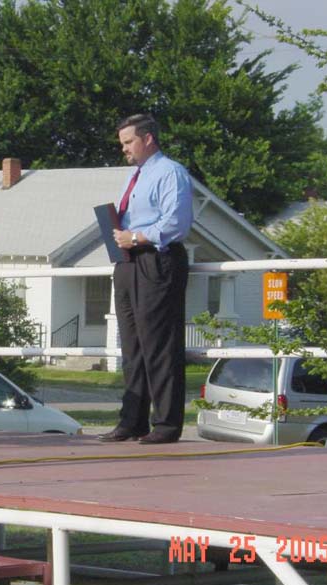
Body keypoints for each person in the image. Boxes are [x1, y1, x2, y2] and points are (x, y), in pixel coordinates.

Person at [97, 113, 193, 445]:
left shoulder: (170, 173)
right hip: (128, 263)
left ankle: (166, 424)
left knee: (159, 344)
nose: (124, 149)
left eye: (128, 142)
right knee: (133, 345)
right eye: (122, 143)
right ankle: (132, 420)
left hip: (157, 260)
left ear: (148, 138)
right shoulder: (135, 176)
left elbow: (176, 223)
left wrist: (136, 237)